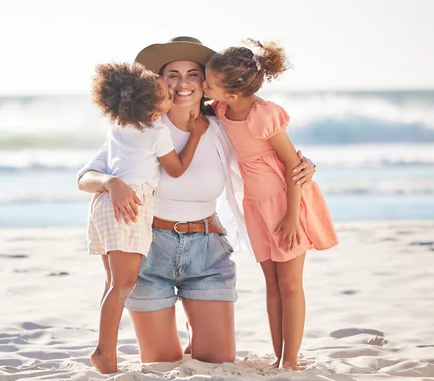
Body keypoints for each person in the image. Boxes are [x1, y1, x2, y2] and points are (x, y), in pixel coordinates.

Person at [77, 37, 317, 365]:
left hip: (207, 252)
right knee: (160, 361)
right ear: (158, 81)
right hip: (150, 252)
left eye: (192, 73)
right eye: (172, 74)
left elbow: (267, 150)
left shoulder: (222, 127)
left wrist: (305, 164)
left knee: (216, 361)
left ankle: (198, 330)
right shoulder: (140, 127)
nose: (183, 83)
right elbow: (85, 177)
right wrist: (110, 183)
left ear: (206, 83)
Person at [203, 40, 338, 369]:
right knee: (272, 284)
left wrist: (293, 217)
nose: (202, 86)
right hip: (255, 207)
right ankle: (279, 356)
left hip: (285, 204)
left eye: (207, 82)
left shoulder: (264, 115)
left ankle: (290, 362)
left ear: (233, 94)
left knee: (290, 284)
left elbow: (294, 166)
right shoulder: (222, 109)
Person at [87, 62, 207, 374]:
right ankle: (103, 353)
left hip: (104, 205)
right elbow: (176, 169)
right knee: (124, 283)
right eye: (167, 95)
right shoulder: (156, 130)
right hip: (131, 205)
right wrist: (195, 135)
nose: (172, 96)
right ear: (153, 109)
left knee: (113, 282)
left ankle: (105, 350)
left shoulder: (117, 127)